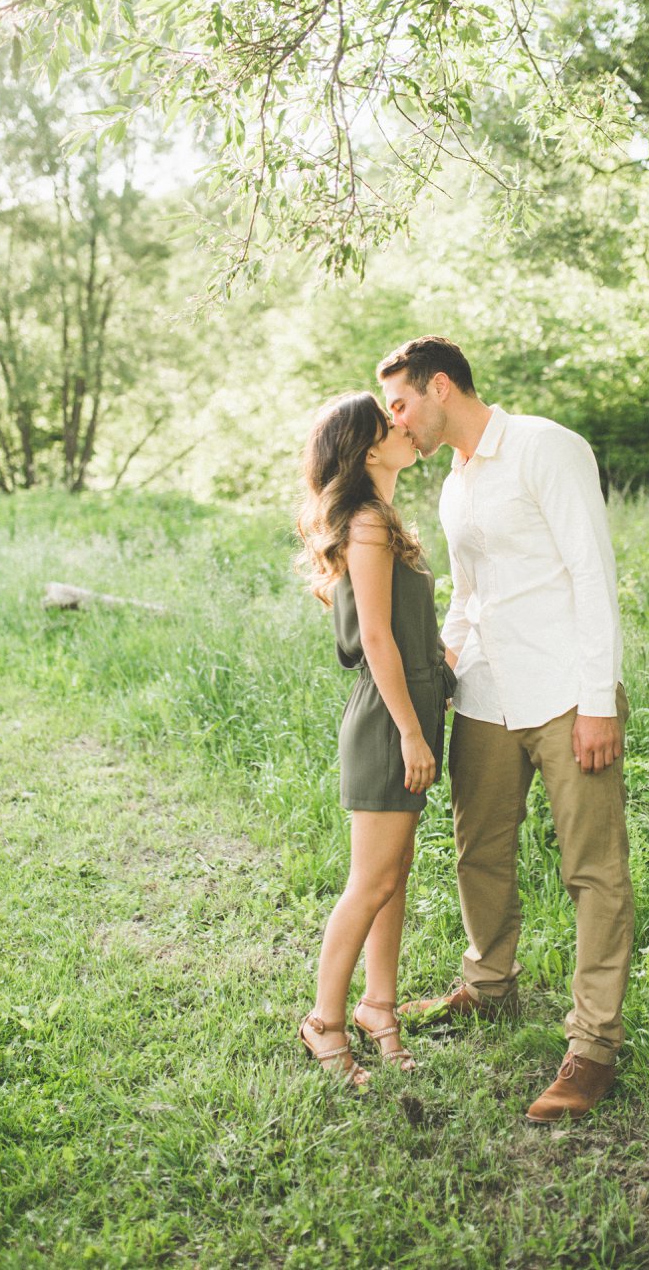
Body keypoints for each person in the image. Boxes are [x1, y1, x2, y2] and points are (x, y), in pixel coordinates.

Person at [377, 337, 633, 1123]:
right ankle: (488, 986)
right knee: (477, 847)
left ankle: (592, 1046)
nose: (395, 421)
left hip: (564, 691)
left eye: (400, 403)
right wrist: (446, 661)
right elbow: (470, 589)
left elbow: (591, 571)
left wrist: (597, 700)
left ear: (441, 388)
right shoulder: (454, 482)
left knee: (592, 871)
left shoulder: (546, 448)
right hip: (485, 691)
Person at [296, 391, 457, 1087]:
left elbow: (381, 619)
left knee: (395, 875)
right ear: (366, 449)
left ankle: (377, 1006)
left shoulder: (380, 521)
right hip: (390, 720)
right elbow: (376, 638)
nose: (404, 426)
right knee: (370, 881)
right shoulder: (365, 521)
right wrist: (412, 734)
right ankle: (324, 1023)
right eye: (390, 423)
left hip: (412, 704)